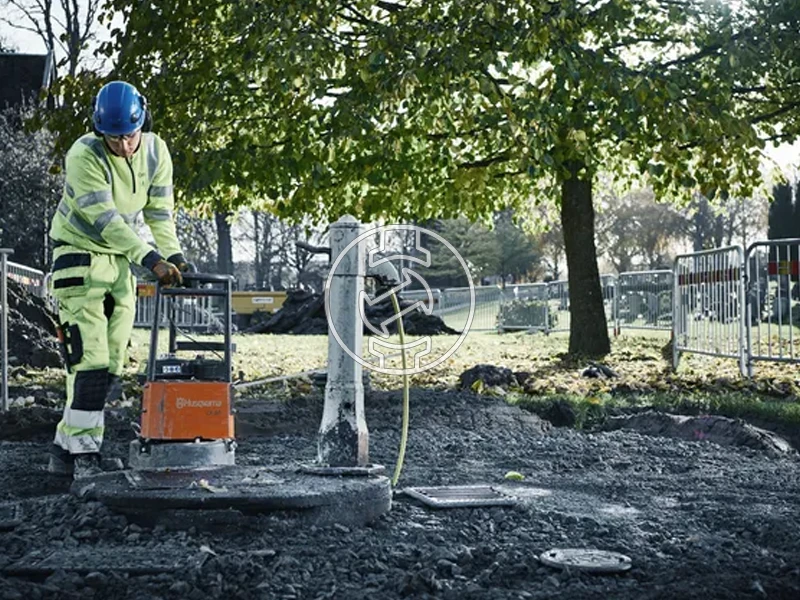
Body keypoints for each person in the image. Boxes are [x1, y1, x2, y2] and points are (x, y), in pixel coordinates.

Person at [47, 81, 192, 479]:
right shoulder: (83, 155)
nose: (124, 146)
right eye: (114, 139)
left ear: (143, 123)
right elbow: (106, 221)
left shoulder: (156, 151)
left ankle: (63, 450)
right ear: (100, 131)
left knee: (111, 363)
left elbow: (160, 212)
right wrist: (151, 259)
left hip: (120, 265)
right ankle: (84, 455)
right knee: (89, 360)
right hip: (79, 260)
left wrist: (174, 255)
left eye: (130, 135)